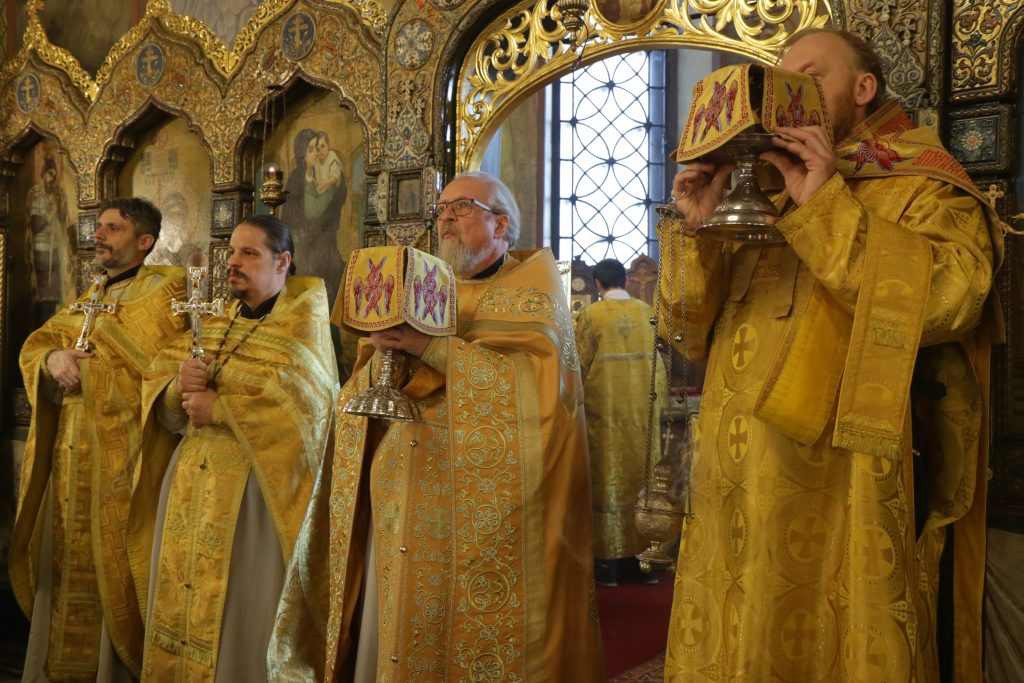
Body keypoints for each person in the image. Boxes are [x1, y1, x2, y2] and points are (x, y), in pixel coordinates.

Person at [659, 28, 1005, 681]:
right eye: (782, 80)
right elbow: (685, 331)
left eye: (811, 77)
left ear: (863, 88)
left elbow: (951, 300)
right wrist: (695, 227)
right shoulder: (759, 188)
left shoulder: (921, 181)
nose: (789, 94)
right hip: (733, 475)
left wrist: (825, 205)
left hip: (845, 480)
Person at [268, 171, 604, 681]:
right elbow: (363, 387)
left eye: (462, 207)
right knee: (396, 615)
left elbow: (537, 395)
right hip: (400, 484)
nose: (446, 218)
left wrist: (432, 349)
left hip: (482, 502)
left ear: (501, 225)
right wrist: (386, 355)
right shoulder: (422, 287)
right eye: (442, 209)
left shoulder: (532, 293)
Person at [129, 215, 338, 681]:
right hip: (190, 494)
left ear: (282, 261)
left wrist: (220, 408)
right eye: (231, 253)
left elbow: (307, 419)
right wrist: (176, 388)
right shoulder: (214, 322)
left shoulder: (303, 330)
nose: (233, 262)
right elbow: (164, 404)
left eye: (249, 253)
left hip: (253, 505)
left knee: (239, 620)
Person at [12, 197, 186, 680]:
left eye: (113, 228)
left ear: (144, 241)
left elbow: (162, 376)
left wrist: (92, 375)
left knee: (117, 571)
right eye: (100, 226)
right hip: (69, 461)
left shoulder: (165, 295)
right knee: (64, 571)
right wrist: (53, 361)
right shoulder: (89, 296)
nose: (99, 234)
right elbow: (40, 344)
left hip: (123, 463)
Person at [575, 258, 667, 587]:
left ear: (598, 283)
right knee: (642, 482)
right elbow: (659, 367)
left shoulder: (591, 315)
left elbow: (579, 366)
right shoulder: (646, 312)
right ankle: (644, 564)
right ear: (626, 280)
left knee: (608, 482)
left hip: (606, 415)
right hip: (643, 414)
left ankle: (608, 566)